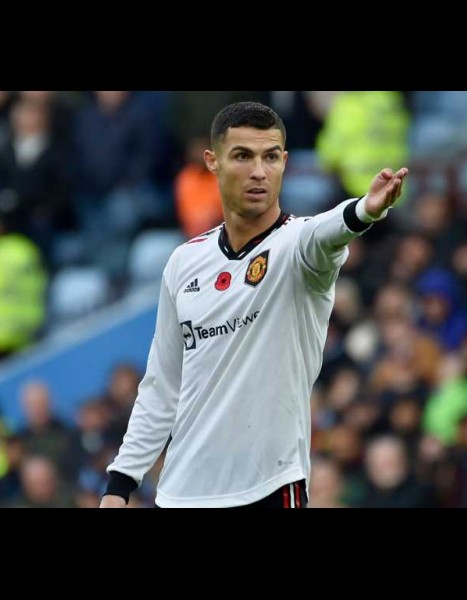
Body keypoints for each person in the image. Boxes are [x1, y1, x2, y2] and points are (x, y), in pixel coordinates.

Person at [100, 101, 407, 508]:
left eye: (271, 157)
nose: (259, 171)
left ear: (285, 163)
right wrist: (120, 485)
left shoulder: (297, 248)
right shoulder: (184, 263)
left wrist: (364, 210)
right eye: (243, 156)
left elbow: (327, 232)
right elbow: (162, 386)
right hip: (182, 494)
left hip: (269, 487)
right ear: (213, 162)